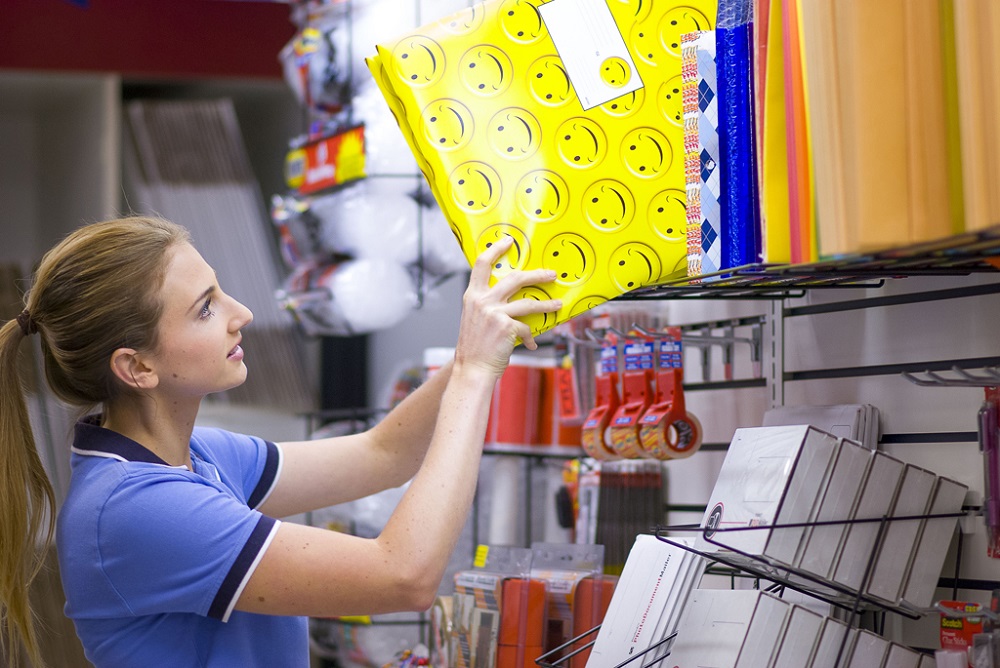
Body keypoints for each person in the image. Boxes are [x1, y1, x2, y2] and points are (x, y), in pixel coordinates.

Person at [0, 215, 561, 667]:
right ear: (138, 367)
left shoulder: (198, 457)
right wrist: (473, 373)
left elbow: (383, 454)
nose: (241, 314)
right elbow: (404, 575)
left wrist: (484, 343)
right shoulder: (137, 508)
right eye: (206, 308)